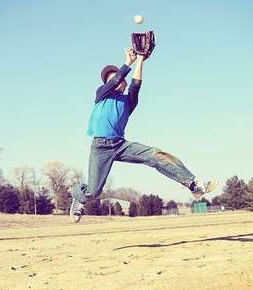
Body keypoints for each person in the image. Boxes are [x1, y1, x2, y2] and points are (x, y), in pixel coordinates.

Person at [70, 48, 218, 223]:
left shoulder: (127, 102)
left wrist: (140, 59)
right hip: (100, 147)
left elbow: (136, 85)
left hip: (120, 145)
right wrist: (128, 62)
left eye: (118, 78)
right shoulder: (101, 94)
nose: (115, 80)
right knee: (93, 191)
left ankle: (194, 185)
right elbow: (115, 80)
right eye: (110, 79)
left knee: (156, 155)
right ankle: (77, 196)